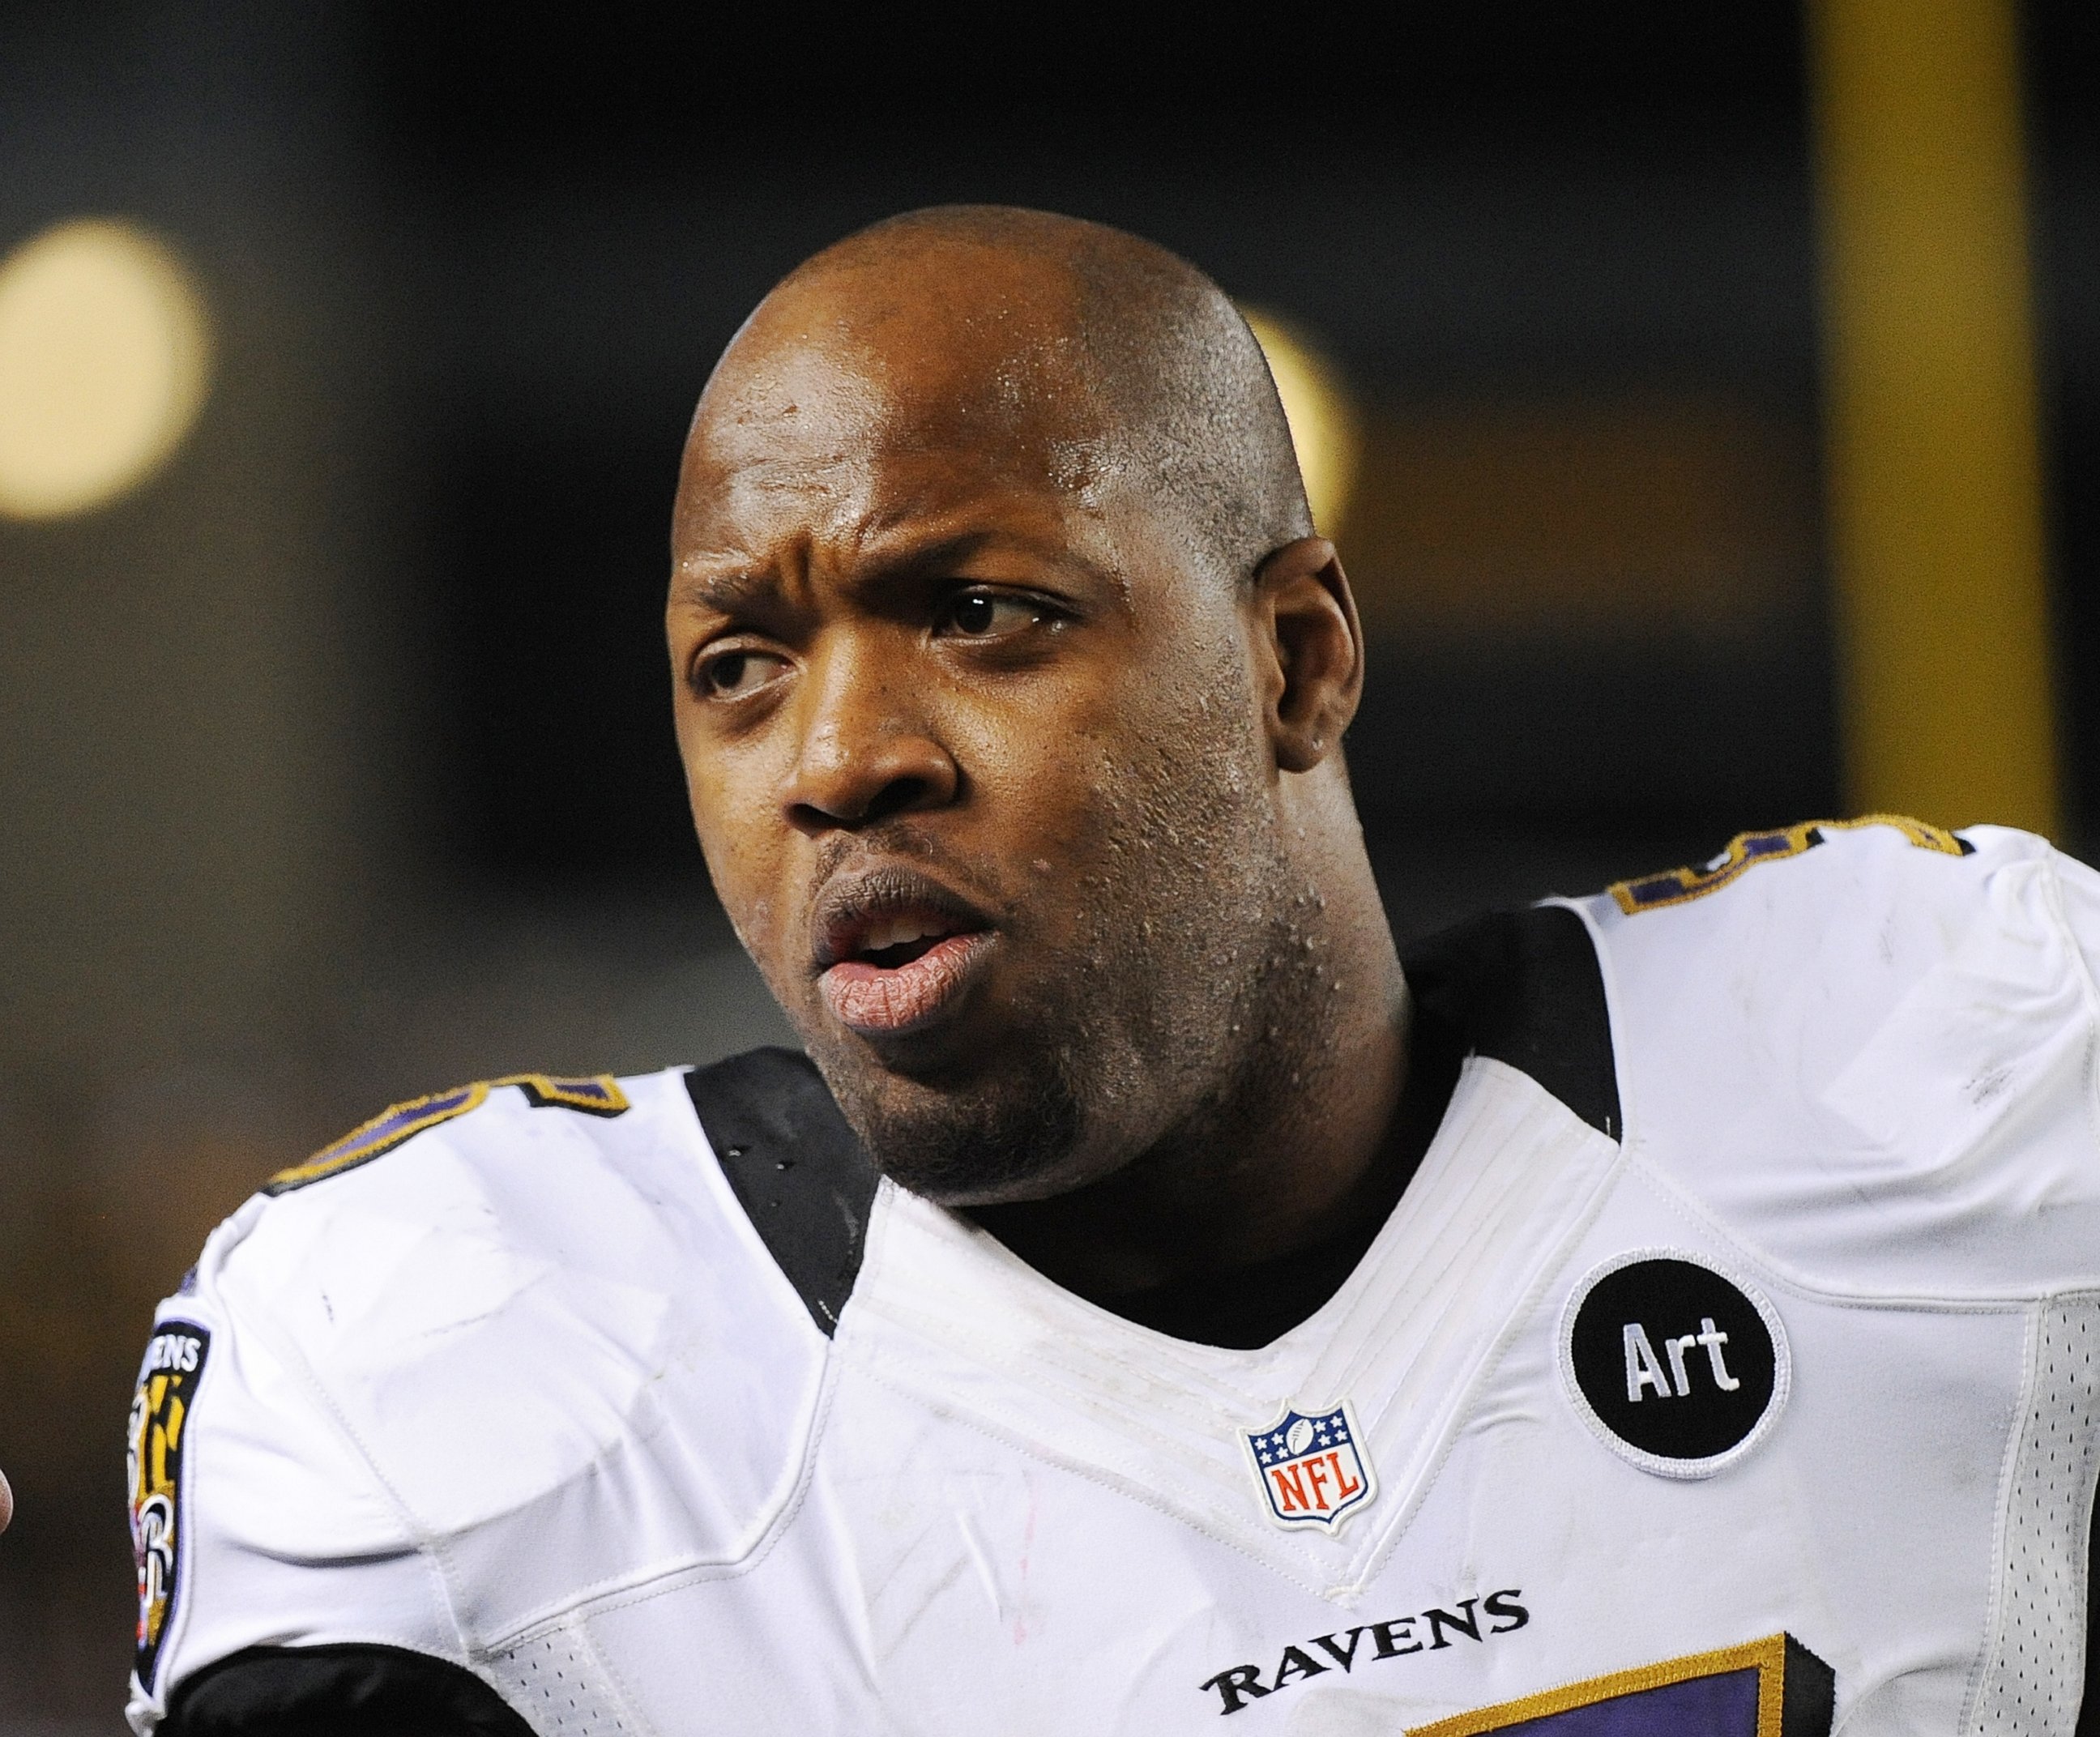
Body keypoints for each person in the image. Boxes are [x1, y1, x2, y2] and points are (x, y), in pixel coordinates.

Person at [126, 208, 2100, 1737]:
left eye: (978, 612)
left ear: (1297, 660)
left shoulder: (1940, 1084)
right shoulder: (473, 1372)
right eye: (741, 665)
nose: (836, 760)